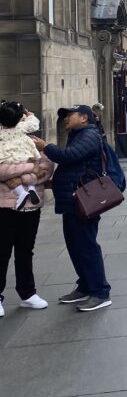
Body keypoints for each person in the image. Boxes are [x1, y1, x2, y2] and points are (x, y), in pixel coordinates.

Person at [33, 105, 112, 312]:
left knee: (86, 246)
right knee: (75, 246)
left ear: (84, 117)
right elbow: (73, 166)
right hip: (73, 200)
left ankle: (100, 292)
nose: (66, 119)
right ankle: (85, 286)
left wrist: (45, 146)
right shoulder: (78, 134)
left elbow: (70, 156)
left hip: (84, 201)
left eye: (70, 115)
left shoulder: (89, 135)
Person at [0, 100, 54, 316]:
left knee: (25, 250)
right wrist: (31, 168)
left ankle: (27, 292)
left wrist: (23, 174)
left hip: (31, 205)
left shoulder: (32, 140)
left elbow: (47, 168)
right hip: (5, 205)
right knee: (2, 251)